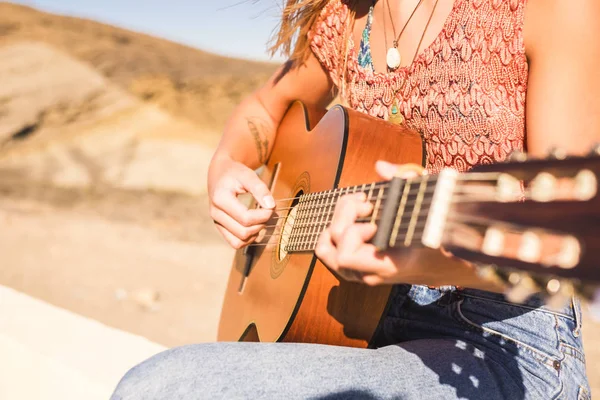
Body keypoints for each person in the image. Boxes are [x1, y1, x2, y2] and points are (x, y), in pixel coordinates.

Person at [111, 0, 599, 398]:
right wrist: (225, 166)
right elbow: (265, 105)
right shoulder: (343, 19)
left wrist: (420, 263)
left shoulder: (546, 8)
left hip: (496, 340)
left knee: (158, 390)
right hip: (354, 316)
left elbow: (562, 235)